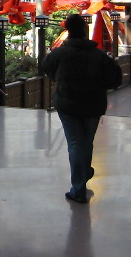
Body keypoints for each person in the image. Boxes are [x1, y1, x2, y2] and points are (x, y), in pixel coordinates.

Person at [40, 13, 123, 203]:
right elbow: (115, 78)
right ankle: (83, 174)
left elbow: (46, 67)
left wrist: (59, 78)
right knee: (86, 141)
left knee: (75, 143)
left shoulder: (60, 53)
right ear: (85, 31)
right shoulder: (98, 55)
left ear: (68, 31)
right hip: (93, 104)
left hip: (67, 103)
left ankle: (78, 188)